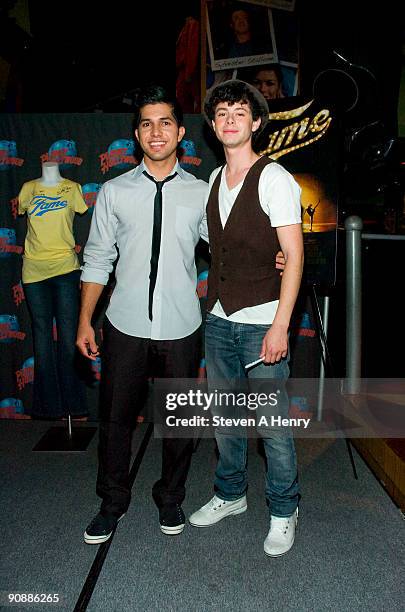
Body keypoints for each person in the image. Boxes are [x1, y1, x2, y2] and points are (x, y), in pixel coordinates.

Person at [77, 84, 286, 545]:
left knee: (181, 423)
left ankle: (170, 498)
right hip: (124, 324)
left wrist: (278, 256)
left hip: (182, 327)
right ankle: (111, 504)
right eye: (147, 123)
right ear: (136, 134)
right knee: (114, 421)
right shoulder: (113, 191)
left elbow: (230, 247)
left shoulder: (201, 191)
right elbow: (96, 259)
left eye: (165, 122)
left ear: (181, 132)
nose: (156, 131)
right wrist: (84, 319)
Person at [189, 80, 304, 558]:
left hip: (262, 322)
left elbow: (294, 256)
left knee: (273, 428)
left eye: (240, 111)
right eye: (222, 113)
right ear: (214, 127)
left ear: (256, 123)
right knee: (225, 420)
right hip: (218, 318)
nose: (230, 118)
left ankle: (284, 509)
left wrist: (280, 325)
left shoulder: (275, 177)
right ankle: (231, 495)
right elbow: (213, 243)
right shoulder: (213, 179)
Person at [18, 161, 88, 419]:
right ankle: (48, 408)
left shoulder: (72, 189)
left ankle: (75, 406)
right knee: (42, 341)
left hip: (66, 269)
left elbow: (81, 213)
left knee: (69, 338)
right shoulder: (28, 189)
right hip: (33, 272)